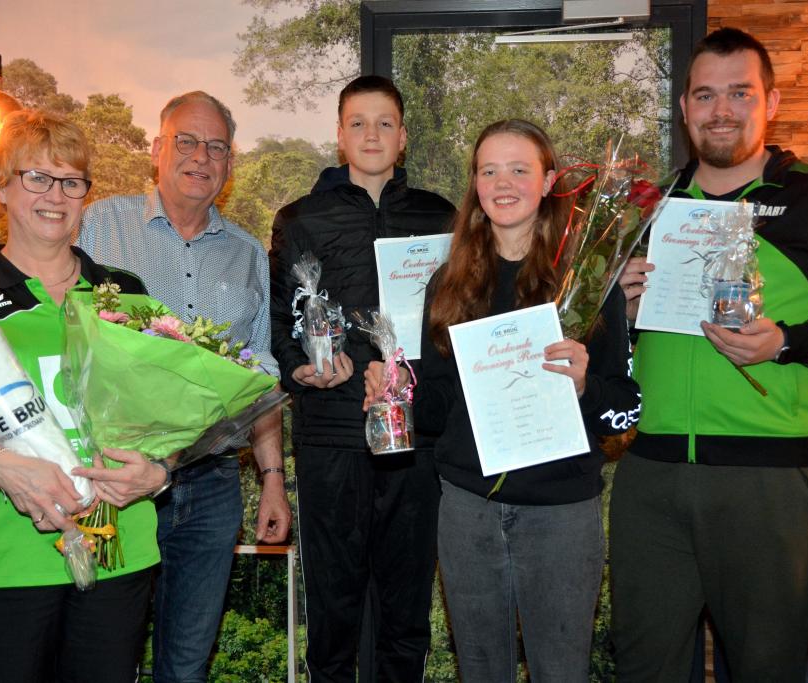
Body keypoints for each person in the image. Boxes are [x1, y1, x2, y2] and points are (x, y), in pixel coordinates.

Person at [611, 27, 808, 681]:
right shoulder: (650, 207)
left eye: (740, 92)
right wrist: (624, 315)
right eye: (705, 95)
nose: (721, 109)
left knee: (764, 669)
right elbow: (611, 344)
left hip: (769, 483)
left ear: (770, 102)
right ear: (686, 107)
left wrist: (791, 341)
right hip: (651, 478)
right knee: (644, 669)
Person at [365, 118, 641, 682]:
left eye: (519, 169)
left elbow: (626, 410)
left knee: (561, 671)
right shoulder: (449, 282)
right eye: (489, 170)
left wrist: (586, 384)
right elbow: (439, 408)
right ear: (475, 185)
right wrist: (400, 394)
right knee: (482, 670)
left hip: (561, 515)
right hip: (468, 509)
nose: (503, 182)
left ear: (548, 182)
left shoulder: (585, 280)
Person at [0, 109, 163, 683]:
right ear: (0, 186)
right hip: (1, 559)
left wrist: (159, 472)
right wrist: (5, 467)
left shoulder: (127, 293)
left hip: (119, 548)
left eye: (71, 181)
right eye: (35, 177)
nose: (56, 195)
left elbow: (158, 421)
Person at [78, 91, 291, 683]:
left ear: (230, 162)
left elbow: (260, 378)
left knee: (187, 665)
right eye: (187, 141)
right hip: (114, 482)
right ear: (157, 149)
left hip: (212, 486)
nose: (202, 156)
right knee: (103, 659)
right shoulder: (98, 228)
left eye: (217, 146)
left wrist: (272, 481)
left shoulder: (249, 255)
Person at [269, 75, 455, 682]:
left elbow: (458, 321)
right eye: (357, 123)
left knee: (406, 605)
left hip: (416, 434)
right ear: (339, 135)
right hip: (331, 432)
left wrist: (416, 378)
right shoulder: (300, 219)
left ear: (402, 138)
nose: (370, 134)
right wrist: (305, 370)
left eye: (384, 124)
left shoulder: (442, 216)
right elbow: (284, 320)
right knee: (333, 603)